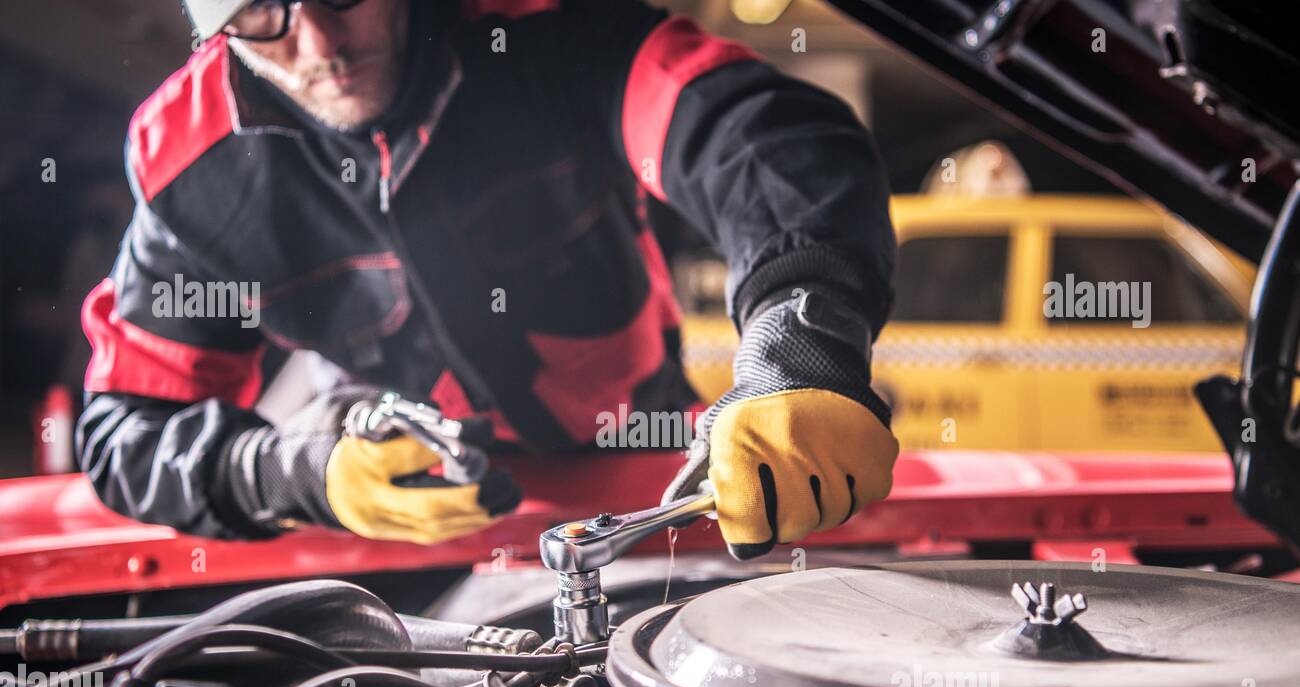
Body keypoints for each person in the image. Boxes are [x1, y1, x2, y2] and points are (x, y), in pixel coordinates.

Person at [77, 0, 898, 559]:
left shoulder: (552, 35)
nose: (322, 45)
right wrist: (292, 473)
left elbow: (762, 140)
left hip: (654, 478)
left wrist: (798, 350)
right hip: (413, 530)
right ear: (211, 27)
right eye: (261, 11)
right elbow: (125, 430)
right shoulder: (192, 167)